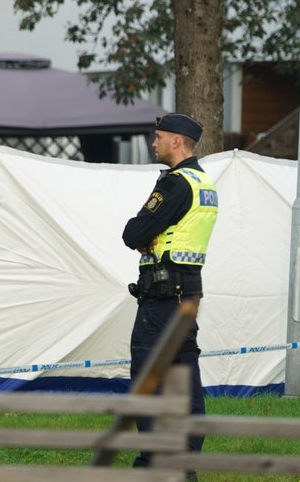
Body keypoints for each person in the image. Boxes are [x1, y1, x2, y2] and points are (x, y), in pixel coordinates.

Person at [121, 113, 218, 470]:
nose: (154, 143)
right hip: (187, 296)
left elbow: (132, 233)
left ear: (177, 142)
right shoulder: (202, 182)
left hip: (161, 298)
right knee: (186, 381)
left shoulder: (176, 184)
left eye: (159, 137)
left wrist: (144, 237)